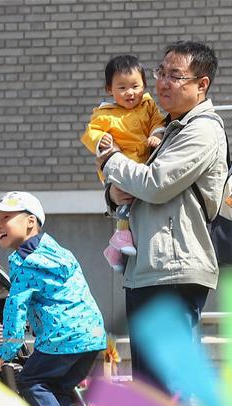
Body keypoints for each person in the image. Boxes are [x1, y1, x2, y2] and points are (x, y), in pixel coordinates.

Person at [96, 41, 227, 392]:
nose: (163, 82)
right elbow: (135, 189)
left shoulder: (202, 130)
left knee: (170, 383)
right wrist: (112, 194)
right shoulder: (164, 126)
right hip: (147, 268)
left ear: (202, 85)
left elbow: (155, 185)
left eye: (175, 75)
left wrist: (111, 162)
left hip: (174, 268)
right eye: (161, 73)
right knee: (150, 386)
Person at [0, 191, 107, 406]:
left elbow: (15, 308)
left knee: (31, 380)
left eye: (6, 218)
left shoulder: (25, 262)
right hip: (91, 336)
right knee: (56, 388)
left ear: (30, 221)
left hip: (62, 339)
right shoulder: (59, 252)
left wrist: (7, 352)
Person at [81, 55, 165, 272]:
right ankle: (120, 239)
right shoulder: (105, 114)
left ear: (144, 86)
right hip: (121, 165)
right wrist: (102, 140)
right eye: (122, 87)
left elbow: (158, 121)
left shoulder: (148, 106)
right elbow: (91, 133)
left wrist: (156, 134)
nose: (130, 92)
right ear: (110, 89)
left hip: (141, 164)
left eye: (135, 86)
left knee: (135, 205)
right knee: (125, 203)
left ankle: (117, 248)